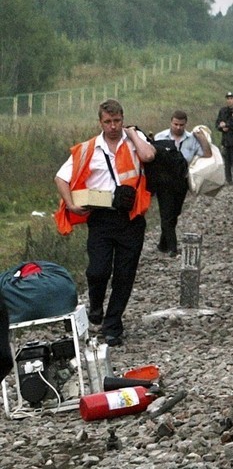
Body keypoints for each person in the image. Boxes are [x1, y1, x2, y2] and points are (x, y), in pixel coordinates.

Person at [53, 99, 154, 347]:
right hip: (102, 218)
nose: (113, 126)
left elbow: (149, 155)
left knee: (124, 274)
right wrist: (73, 205)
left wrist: (132, 133)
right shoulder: (89, 149)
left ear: (123, 118)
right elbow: (61, 177)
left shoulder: (134, 141)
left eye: (117, 121)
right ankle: (96, 307)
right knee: (97, 270)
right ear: (100, 122)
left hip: (131, 218)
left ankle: (112, 326)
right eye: (108, 122)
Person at [152, 110, 211, 256]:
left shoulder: (192, 139)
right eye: (175, 124)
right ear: (171, 122)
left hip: (181, 181)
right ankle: (173, 247)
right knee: (166, 214)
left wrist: (202, 138)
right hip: (164, 181)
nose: (178, 127)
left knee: (174, 213)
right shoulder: (160, 137)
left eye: (181, 125)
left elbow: (207, 154)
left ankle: (162, 243)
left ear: (185, 124)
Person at [216, 92, 233, 185]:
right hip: (225, 141)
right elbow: (218, 123)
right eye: (228, 98)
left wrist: (226, 125)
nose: (230, 100)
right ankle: (229, 180)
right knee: (227, 162)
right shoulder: (222, 111)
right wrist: (221, 127)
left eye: (231, 98)